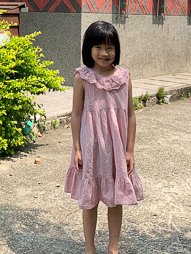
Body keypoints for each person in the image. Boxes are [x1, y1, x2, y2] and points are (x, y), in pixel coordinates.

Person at [64, 21, 144, 254]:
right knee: (90, 198)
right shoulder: (83, 77)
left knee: (116, 197)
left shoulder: (124, 77)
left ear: (117, 49)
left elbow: (130, 115)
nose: (104, 53)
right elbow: (76, 114)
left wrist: (129, 151)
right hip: (90, 148)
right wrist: (77, 148)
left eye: (110, 47)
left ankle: (113, 247)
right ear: (88, 48)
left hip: (117, 149)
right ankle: (90, 247)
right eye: (98, 47)